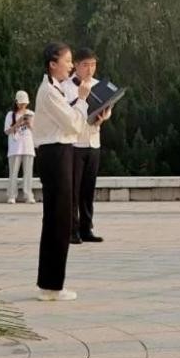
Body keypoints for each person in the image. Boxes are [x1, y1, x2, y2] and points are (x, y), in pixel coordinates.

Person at [31, 42, 91, 302]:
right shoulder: (49, 92)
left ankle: (50, 283)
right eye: (67, 61)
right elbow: (74, 123)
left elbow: (73, 120)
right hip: (55, 155)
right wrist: (84, 99)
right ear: (52, 64)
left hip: (59, 152)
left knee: (58, 219)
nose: (70, 65)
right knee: (59, 219)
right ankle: (52, 287)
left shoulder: (55, 89)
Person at [63, 48, 111, 244]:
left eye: (93, 65)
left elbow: (107, 106)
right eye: (85, 65)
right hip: (75, 144)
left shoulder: (98, 85)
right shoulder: (66, 86)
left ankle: (86, 228)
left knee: (88, 189)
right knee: (73, 190)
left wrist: (104, 116)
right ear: (75, 65)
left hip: (93, 141)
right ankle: (71, 230)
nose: (90, 69)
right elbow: (67, 114)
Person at [4, 91, 36, 204]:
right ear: (16, 102)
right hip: (15, 148)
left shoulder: (31, 114)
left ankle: (28, 195)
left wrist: (29, 124)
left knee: (28, 173)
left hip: (28, 146)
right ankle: (12, 195)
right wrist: (18, 123)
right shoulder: (10, 115)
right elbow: (7, 131)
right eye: (21, 103)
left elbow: (37, 131)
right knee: (13, 173)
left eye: (24, 103)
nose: (23, 106)